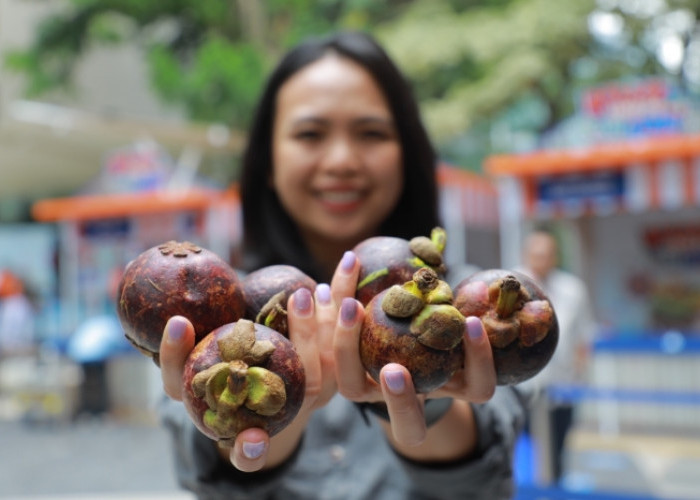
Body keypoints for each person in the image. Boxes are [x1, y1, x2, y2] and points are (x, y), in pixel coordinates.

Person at [157, 31, 531, 499]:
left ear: (407, 155)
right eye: (310, 134)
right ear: (268, 161)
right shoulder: (213, 315)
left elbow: (485, 476)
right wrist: (267, 411)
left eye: (371, 133)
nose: (341, 160)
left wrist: (428, 399)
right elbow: (215, 481)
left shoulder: (474, 306)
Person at [517, 228, 597, 484]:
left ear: (555, 256)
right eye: (536, 254)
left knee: (557, 448)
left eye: (547, 254)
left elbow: (584, 336)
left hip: (562, 386)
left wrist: (580, 375)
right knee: (522, 451)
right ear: (526, 255)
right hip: (522, 387)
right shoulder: (511, 283)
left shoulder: (572, 289)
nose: (541, 259)